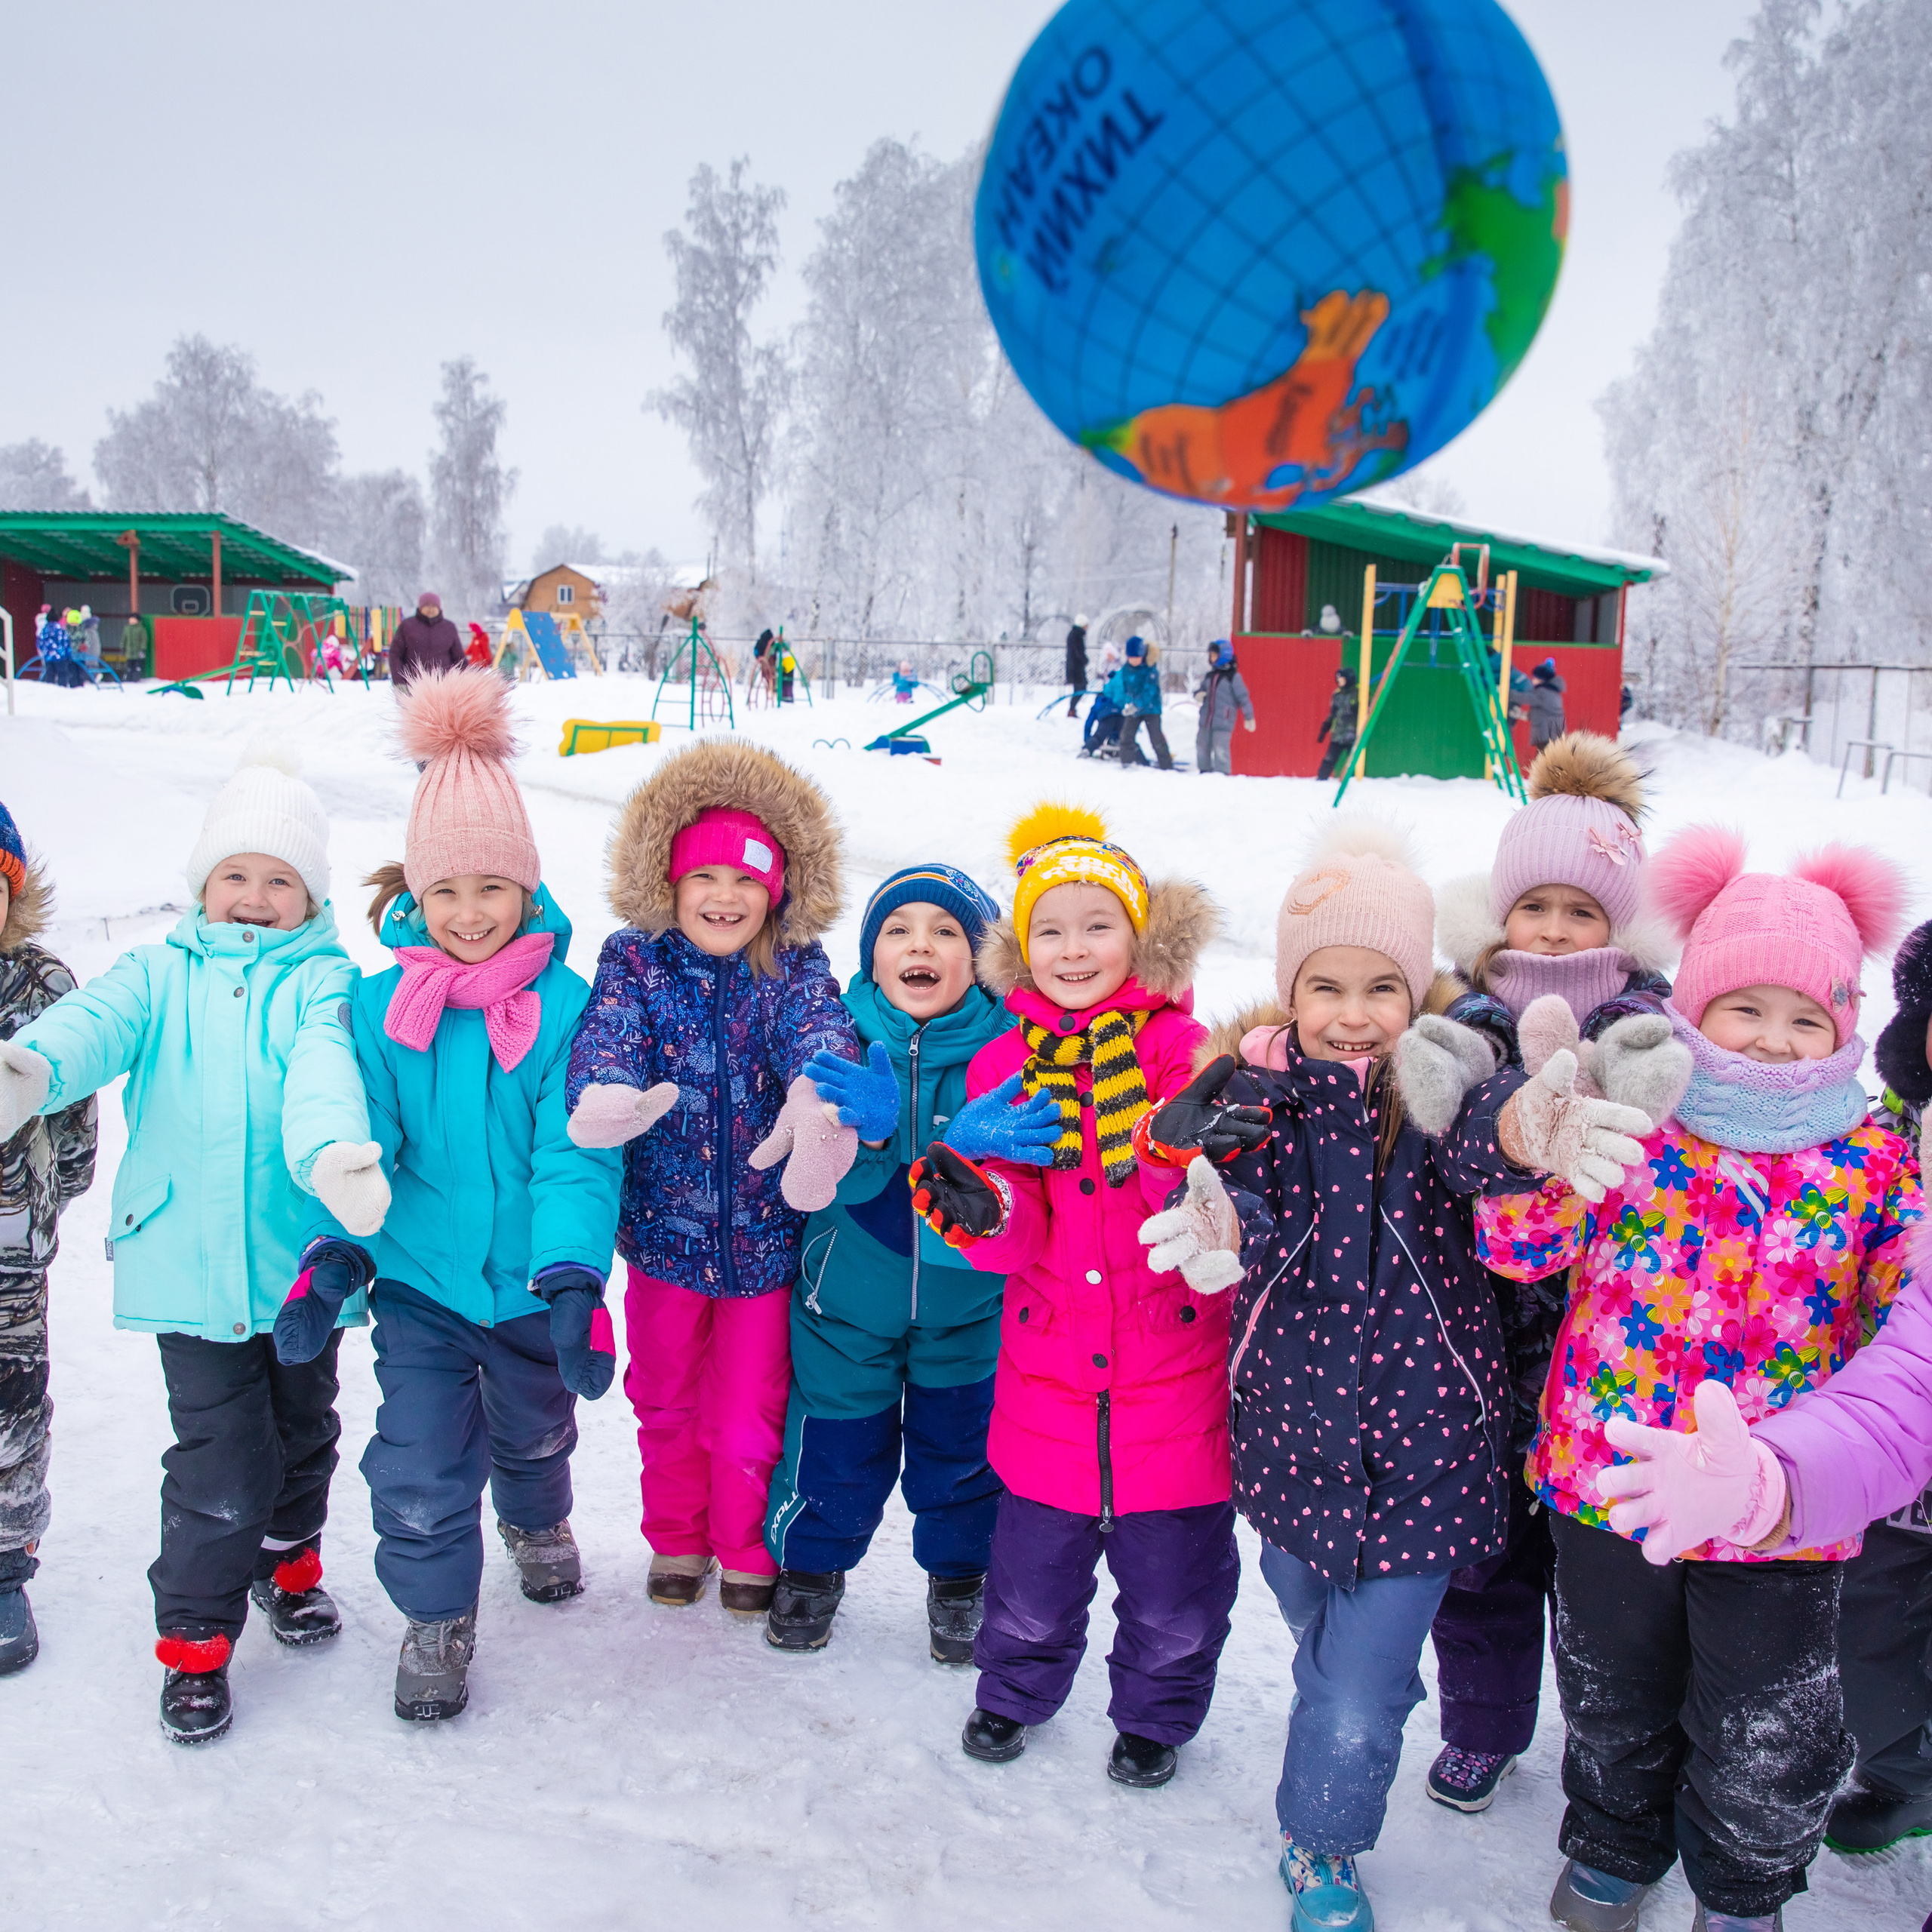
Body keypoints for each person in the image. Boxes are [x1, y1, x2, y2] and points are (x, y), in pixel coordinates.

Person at [1476, 826, 1917, 1932]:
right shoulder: (1645, 1118)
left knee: (1770, 1723)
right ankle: (1616, 1847)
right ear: (1696, 1010)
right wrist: (1536, 1150)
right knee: (1612, 1691)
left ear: (1844, 1029)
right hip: (1608, 1479)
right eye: (1746, 1009)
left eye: (1805, 1018)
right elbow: (1520, 1251)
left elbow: (1900, 1327)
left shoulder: (1876, 1156)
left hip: (1785, 1509)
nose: (1773, 1042)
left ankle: (1742, 1887)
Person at [1150, 820, 1528, 1931]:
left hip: (1427, 1451)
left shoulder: (1445, 1093)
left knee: (1354, 1689)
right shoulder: (1257, 1101)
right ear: (1289, 992)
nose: (1354, 1013)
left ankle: (1322, 1844)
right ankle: (1361, 1686)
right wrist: (1222, 1218)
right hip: (1293, 1444)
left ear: (1417, 995)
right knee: (1309, 1608)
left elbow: (1486, 1155)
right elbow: (1243, 1207)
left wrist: (1527, 1126)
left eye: (1381, 987)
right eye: (1327, 986)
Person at [0, 753, 386, 1743]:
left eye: (279, 881)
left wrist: (335, 1152)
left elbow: (323, 1074)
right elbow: (94, 1025)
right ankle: (195, 1645)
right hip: (185, 1267)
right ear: (202, 882)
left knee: (304, 1432)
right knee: (221, 1460)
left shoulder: (325, 981)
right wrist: (32, 1066)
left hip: (298, 1267)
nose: (254, 898)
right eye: (235, 875)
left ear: (308, 895)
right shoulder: (157, 973)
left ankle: (289, 1562)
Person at [274, 669, 623, 1722]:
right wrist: (336, 1253)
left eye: (492, 889)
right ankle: (435, 1617)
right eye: (447, 892)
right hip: (422, 1287)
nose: (470, 915)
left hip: (527, 1289)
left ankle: (536, 1516)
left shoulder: (568, 1006)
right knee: (419, 1461)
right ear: (414, 898)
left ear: (529, 891)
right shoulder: (382, 1010)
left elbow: (576, 1154)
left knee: (534, 1435)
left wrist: (571, 1277)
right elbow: (358, 1142)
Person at [904, 804, 1238, 1792]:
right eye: (1050, 928)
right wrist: (978, 1202)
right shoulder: (1006, 1061)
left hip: (1171, 1372)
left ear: (1138, 938)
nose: (1074, 947)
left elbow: (1187, 1212)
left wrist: (1174, 1147)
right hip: (1051, 1374)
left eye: (1098, 925)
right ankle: (1012, 1691)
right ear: (1022, 948)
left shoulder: (1185, 1049)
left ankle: (1156, 1717)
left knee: (1175, 1590)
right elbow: (1021, 1233)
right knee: (1032, 1580)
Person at [1409, 733, 1675, 1816]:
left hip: (1611, 1353)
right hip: (1478, 1348)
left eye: (1583, 911)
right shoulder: (1466, 1015)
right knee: (1485, 1568)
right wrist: (1505, 1126)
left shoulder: (1652, 1025)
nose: (1557, 930)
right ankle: (1482, 1726)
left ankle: (1614, 1753)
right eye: (1538, 907)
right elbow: (1436, 1137)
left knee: (1612, 1582)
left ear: (1619, 924)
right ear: (1502, 914)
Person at [565, 740, 859, 1617]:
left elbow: (821, 1031)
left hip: (766, 1243)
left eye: (747, 881)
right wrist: (605, 1085)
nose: (725, 897)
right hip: (662, 1235)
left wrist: (817, 1088)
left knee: (748, 1409)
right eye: (705, 878)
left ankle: (741, 1547)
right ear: (670, 882)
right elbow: (608, 1030)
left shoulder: (793, 969)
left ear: (775, 893)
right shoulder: (635, 961)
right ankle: (677, 1539)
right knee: (663, 1398)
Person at [762, 865, 1011, 1660]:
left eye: (946, 933)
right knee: (837, 1440)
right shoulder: (835, 1040)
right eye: (898, 930)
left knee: (961, 1449)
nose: (921, 946)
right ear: (871, 956)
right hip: (846, 1299)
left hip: (968, 1303)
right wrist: (865, 1139)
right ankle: (812, 1567)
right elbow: (812, 1177)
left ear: (979, 960)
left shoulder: (1007, 1051)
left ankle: (962, 1577)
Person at [0, 798, 97, 1674]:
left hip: (6, 1252)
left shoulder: (38, 989)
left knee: (10, 1406)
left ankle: (3, 1566)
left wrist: (43, 1203)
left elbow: (73, 1124)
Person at [1110, 636, 1173, 770]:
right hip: (1134, 709)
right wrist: (1126, 704)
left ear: (1143, 655)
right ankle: (1127, 764)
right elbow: (1125, 688)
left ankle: (1166, 766)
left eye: (1136, 657)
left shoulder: (1151, 670)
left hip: (1151, 710)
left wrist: (1136, 705)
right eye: (1131, 657)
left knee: (1156, 739)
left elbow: (1149, 692)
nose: (1133, 660)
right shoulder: (1126, 669)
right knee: (1126, 736)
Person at [1193, 639, 1254, 774]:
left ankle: (1222, 774)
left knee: (1221, 749)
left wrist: (1249, 717)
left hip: (1223, 722)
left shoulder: (1233, 677)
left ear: (1223, 656)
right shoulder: (1210, 676)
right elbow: (1201, 690)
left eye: (1214, 655)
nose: (1211, 658)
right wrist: (1198, 694)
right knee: (1202, 746)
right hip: (1206, 721)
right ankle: (1204, 771)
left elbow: (1243, 698)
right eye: (1210, 655)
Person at [389, 592, 465, 689]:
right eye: (427, 605)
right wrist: (399, 681)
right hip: (413, 685)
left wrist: (465, 681)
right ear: (420, 607)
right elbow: (395, 655)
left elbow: (459, 658)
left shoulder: (449, 627)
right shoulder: (407, 626)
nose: (431, 609)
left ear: (439, 608)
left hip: (444, 686)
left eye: (434, 606)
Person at [1315, 668, 1358, 780]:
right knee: (1329, 760)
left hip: (1353, 735)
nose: (1340, 682)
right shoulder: (1337, 695)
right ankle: (1320, 780)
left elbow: (1369, 710)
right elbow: (1332, 714)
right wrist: (1325, 728)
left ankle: (1356, 784)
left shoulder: (1359, 694)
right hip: (1338, 735)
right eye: (1338, 680)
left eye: (1342, 680)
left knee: (1355, 763)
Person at [1528, 657, 1566, 749]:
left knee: (1544, 759)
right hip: (1552, 735)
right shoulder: (1551, 692)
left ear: (1542, 680)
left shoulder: (1543, 692)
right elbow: (1541, 713)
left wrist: (1509, 693)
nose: (1532, 680)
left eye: (1535, 678)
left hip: (1548, 735)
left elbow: (1528, 699)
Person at [1064, 614, 1088, 718]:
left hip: (1075, 667)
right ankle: (1072, 710)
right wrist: (1084, 659)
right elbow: (1078, 652)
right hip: (1076, 668)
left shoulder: (1074, 634)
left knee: (1079, 688)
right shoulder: (1076, 635)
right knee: (1080, 688)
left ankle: (1072, 709)